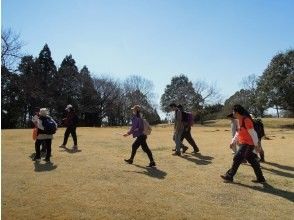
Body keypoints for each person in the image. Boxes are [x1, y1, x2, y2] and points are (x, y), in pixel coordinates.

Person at [221, 104, 266, 183]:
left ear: (237, 112)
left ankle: (229, 176)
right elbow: (238, 132)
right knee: (252, 160)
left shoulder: (246, 120)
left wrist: (256, 146)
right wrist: (233, 142)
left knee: (237, 158)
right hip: (244, 143)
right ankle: (261, 178)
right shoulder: (239, 120)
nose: (233, 113)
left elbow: (253, 134)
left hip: (249, 143)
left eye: (233, 112)